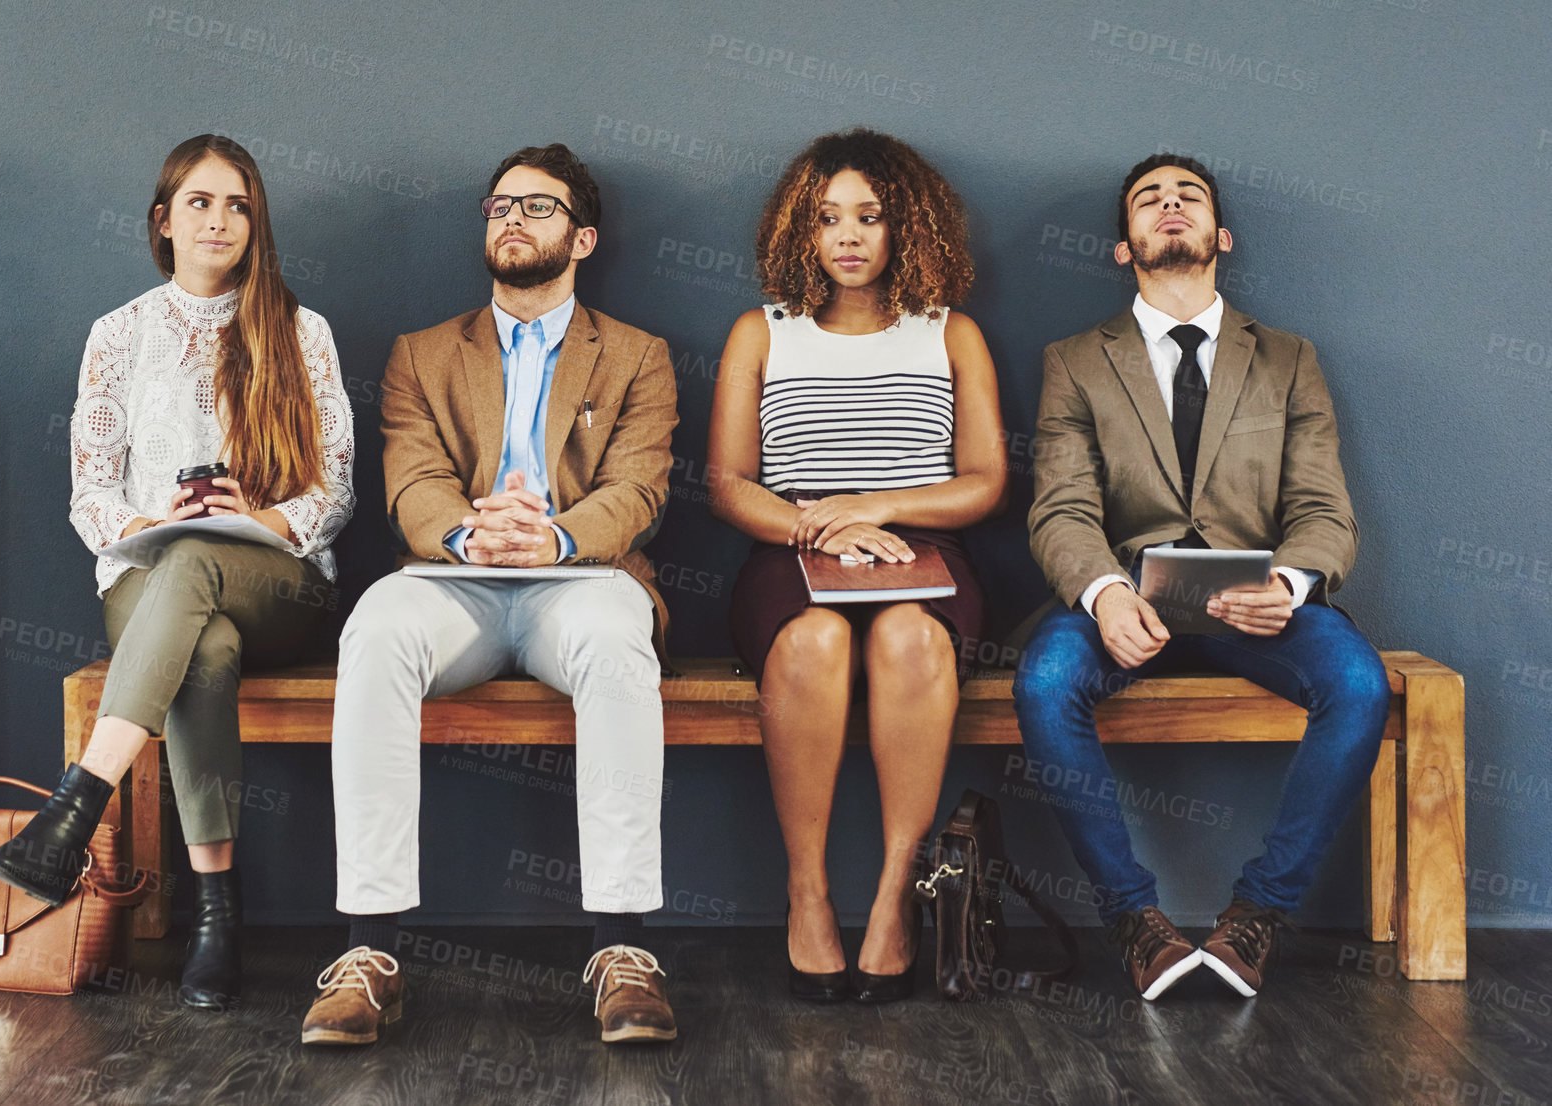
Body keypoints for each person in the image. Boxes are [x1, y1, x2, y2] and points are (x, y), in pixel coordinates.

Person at [300, 144, 679, 1046]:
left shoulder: (636, 355)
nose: (511, 220)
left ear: (582, 237)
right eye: (498, 206)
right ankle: (369, 952)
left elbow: (639, 490)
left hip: (581, 579)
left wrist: (549, 537)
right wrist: (475, 535)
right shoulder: (422, 353)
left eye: (537, 208)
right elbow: (412, 480)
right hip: (452, 581)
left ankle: (623, 949)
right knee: (376, 629)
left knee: (620, 644)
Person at [0, 134, 355, 1011]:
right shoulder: (118, 334)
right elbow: (90, 498)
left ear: (255, 222)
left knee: (204, 570)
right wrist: (155, 521)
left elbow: (332, 495)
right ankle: (216, 913)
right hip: (146, 580)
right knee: (205, 650)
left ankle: (73, 810)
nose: (219, 220)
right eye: (199, 202)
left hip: (280, 579)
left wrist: (248, 513)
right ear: (163, 220)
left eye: (237, 204)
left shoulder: (301, 331)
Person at [1013, 153, 1390, 1000]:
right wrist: (1105, 594)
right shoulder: (1074, 360)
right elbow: (1061, 509)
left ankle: (1255, 916)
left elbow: (1325, 511)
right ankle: (1133, 923)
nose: (1168, 204)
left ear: (1221, 235)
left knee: (1361, 686)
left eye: (1188, 196)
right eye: (1148, 199)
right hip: (1121, 600)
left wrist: (1289, 587)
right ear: (1124, 247)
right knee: (1042, 681)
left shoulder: (1289, 358)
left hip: (1262, 606)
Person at [706, 128, 1007, 1004]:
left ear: (903, 229)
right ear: (798, 232)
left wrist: (876, 508)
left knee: (913, 641)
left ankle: (891, 899)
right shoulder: (760, 332)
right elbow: (727, 484)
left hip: (926, 550)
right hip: (790, 552)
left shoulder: (951, 334)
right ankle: (807, 896)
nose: (846, 236)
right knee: (814, 646)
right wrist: (817, 528)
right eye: (826, 218)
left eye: (868, 218)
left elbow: (985, 482)